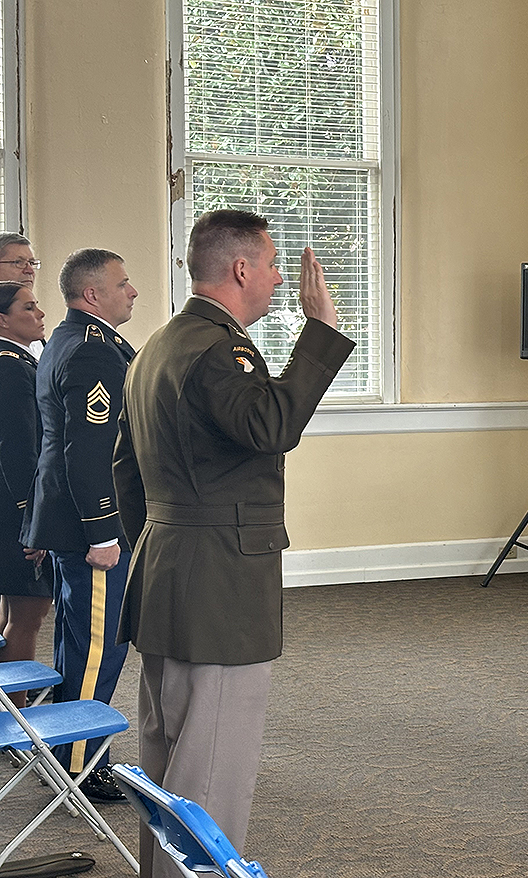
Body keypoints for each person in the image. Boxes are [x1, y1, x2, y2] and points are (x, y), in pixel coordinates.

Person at [113, 209, 354, 878]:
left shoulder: (157, 346)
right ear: (242, 268)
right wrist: (323, 332)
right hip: (218, 586)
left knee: (170, 760)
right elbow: (271, 424)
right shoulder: (220, 349)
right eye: (274, 265)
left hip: (167, 573)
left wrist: (162, 550)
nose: (280, 279)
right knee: (211, 772)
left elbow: (125, 473)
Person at [22, 248, 138, 802]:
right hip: (88, 527)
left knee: (76, 642)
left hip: (66, 522)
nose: (132, 291)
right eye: (122, 283)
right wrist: (104, 533)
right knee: (98, 646)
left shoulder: (74, 341)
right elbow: (87, 455)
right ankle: (81, 765)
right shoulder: (92, 352)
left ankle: (67, 750)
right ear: (92, 295)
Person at [0, 280, 53, 706]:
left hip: (13, 513)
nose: (39, 313)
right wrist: (32, 521)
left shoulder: (19, 362)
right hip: (17, 515)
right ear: (3, 319)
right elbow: (20, 454)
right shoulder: (12, 368)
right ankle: (14, 720)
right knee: (27, 618)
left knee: (18, 614)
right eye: (28, 307)